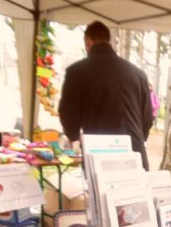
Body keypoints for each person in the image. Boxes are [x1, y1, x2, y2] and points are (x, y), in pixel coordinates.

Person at [58, 21, 153, 170]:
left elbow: (68, 113)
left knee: (103, 193)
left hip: (101, 155)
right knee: (134, 193)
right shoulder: (137, 74)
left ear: (87, 41)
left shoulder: (77, 72)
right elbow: (147, 117)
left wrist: (74, 137)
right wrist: (138, 139)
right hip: (135, 154)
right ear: (109, 41)